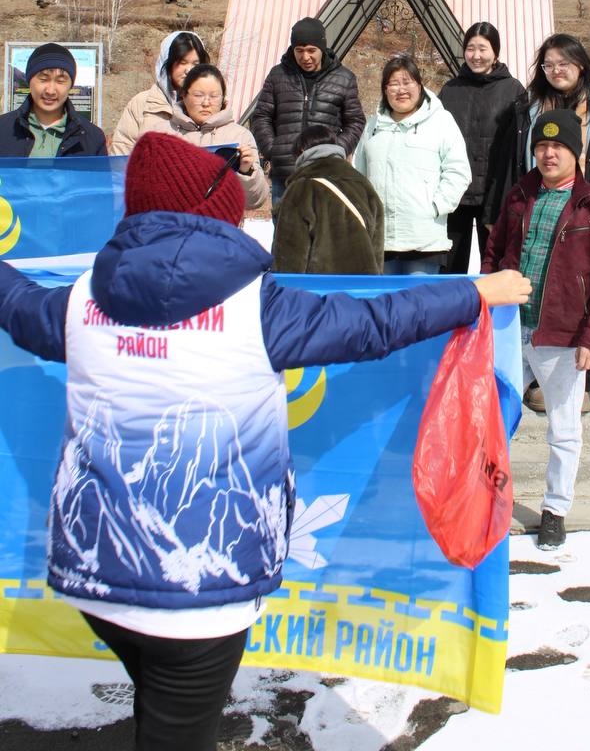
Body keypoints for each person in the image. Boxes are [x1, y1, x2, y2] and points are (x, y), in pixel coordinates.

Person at [0, 131, 530, 751]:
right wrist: (472, 292)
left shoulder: (81, 301)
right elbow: (375, 322)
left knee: (158, 709)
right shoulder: (259, 307)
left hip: (97, 580)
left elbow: (15, 302)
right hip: (201, 593)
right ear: (220, 215)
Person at [482, 108, 590, 550]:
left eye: (558, 146)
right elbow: (493, 253)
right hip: (510, 329)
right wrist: (488, 303)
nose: (549, 154)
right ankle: (488, 499)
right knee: (492, 421)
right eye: (542, 146)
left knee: (564, 430)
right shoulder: (518, 196)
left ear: (575, 153)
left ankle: (555, 510)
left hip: (563, 336)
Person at [485, 32, 590, 414]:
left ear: (581, 65)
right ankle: (534, 378)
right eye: (549, 64)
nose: (556, 71)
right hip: (537, 205)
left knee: (583, 292)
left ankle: (580, 382)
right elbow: (506, 159)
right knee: (541, 290)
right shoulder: (528, 107)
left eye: (564, 63)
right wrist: (500, 213)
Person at [353, 54, 471, 275]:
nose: (401, 90)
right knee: (385, 297)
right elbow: (358, 175)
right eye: (393, 84)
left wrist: (435, 207)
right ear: (385, 89)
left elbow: (458, 171)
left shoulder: (441, 121)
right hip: (381, 240)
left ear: (419, 85)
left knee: (420, 297)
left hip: (424, 240)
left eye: (407, 82)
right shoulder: (373, 126)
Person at [252, 18, 365, 209]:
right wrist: (273, 150)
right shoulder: (278, 75)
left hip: (327, 175)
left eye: (311, 50)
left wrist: (337, 149)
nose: (305, 57)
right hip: (285, 176)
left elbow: (355, 121)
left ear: (322, 48)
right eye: (299, 50)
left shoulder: (344, 78)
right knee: (285, 226)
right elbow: (261, 116)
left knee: (326, 226)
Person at [438, 22, 524, 274]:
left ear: (495, 53)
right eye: (470, 48)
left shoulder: (513, 90)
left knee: (495, 265)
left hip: (495, 194)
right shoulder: (450, 90)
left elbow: (519, 144)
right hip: (456, 194)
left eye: (483, 49)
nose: (476, 55)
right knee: (449, 267)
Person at [272, 124, 384, 274]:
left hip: (320, 286)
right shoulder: (364, 185)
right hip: (365, 284)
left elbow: (289, 254)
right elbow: (377, 246)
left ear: (302, 152)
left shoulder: (302, 187)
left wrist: (282, 283)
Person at [162, 63, 268, 212]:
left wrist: (246, 171)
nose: (206, 103)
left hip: (219, 222)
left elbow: (255, 201)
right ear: (183, 95)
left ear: (223, 99)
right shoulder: (161, 133)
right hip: (170, 221)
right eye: (198, 95)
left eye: (214, 96)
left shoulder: (239, 136)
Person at [110, 30, 209, 155]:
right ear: (167, 63)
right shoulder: (141, 104)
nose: (188, 70)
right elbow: (122, 153)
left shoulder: (211, 104)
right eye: (182, 63)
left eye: (195, 64)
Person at [0, 43, 106, 157]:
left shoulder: (93, 138)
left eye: (60, 81)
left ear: (71, 86)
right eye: (43, 79)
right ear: (29, 81)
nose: (50, 91)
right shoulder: (3, 128)